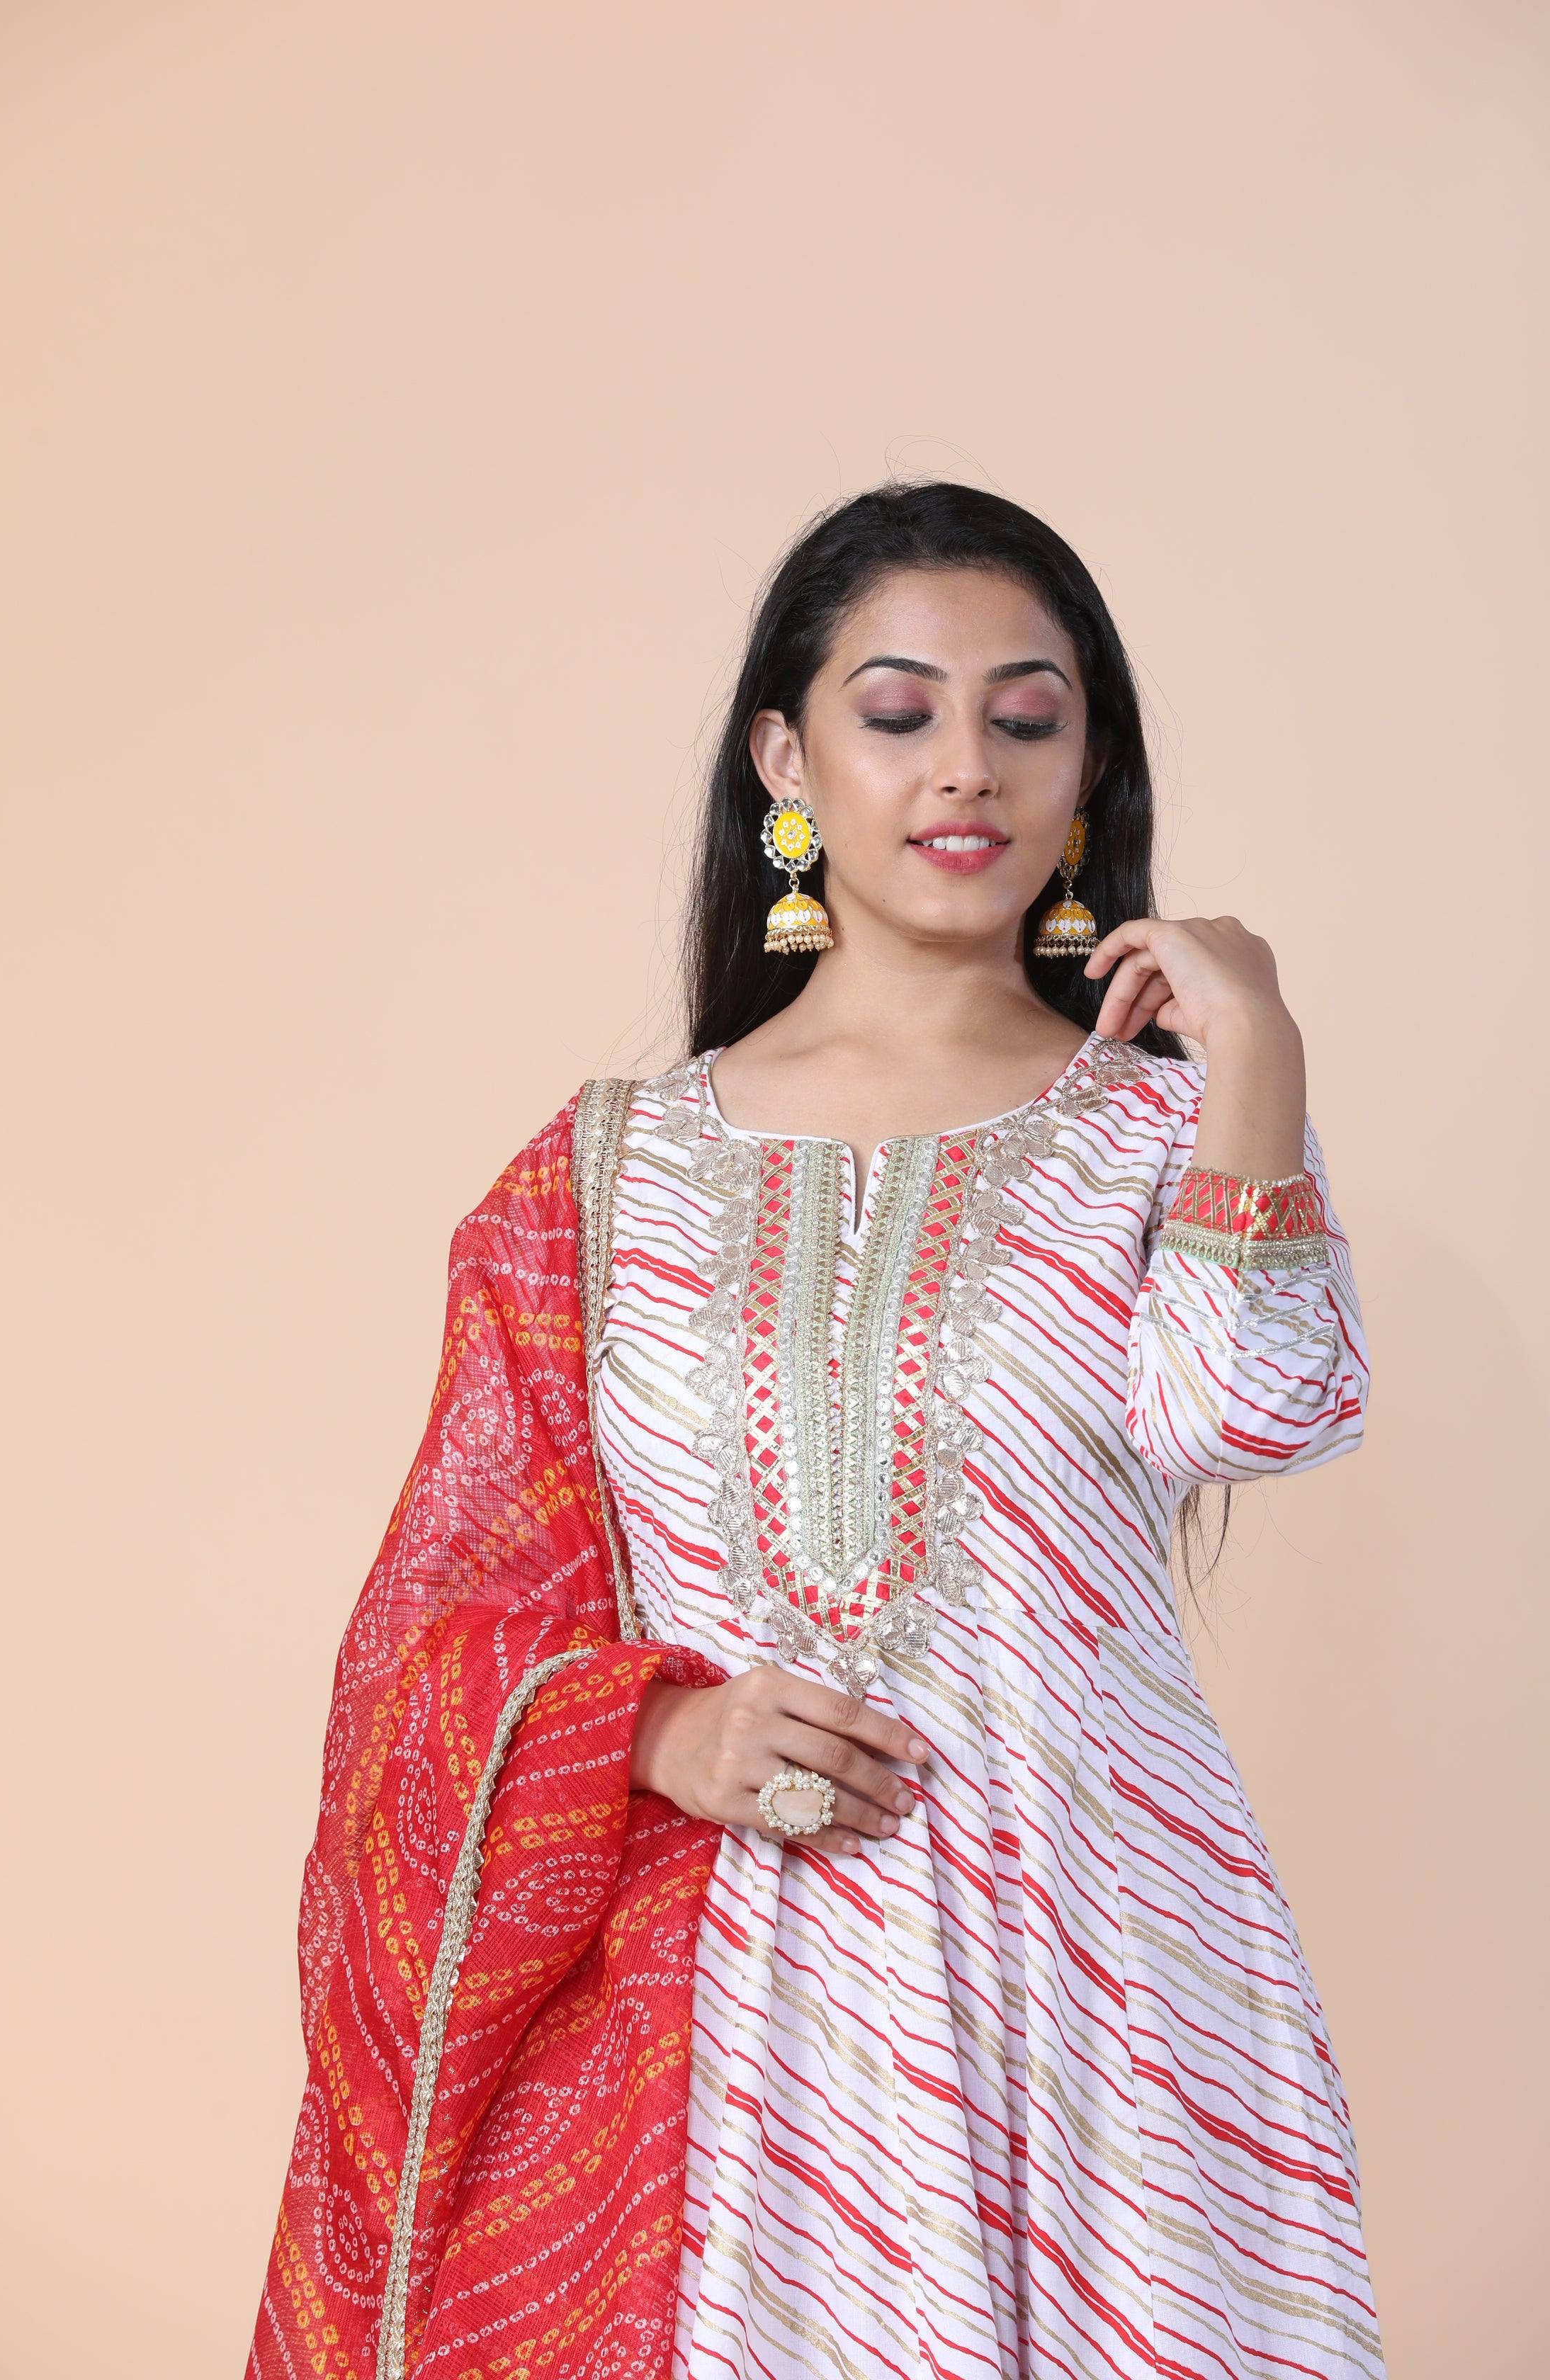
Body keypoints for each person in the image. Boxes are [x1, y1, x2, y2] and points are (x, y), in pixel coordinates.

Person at [246, 481, 1384, 2380]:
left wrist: (1255, 1051)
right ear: (786, 757)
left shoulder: (1165, 1126)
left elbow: (1250, 1412)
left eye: (1028, 719)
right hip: (744, 1994)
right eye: (900, 711)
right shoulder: (607, 1177)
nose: (968, 768)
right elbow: (430, 1633)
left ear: (1090, 766)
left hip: (1106, 1966)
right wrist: (656, 1735)